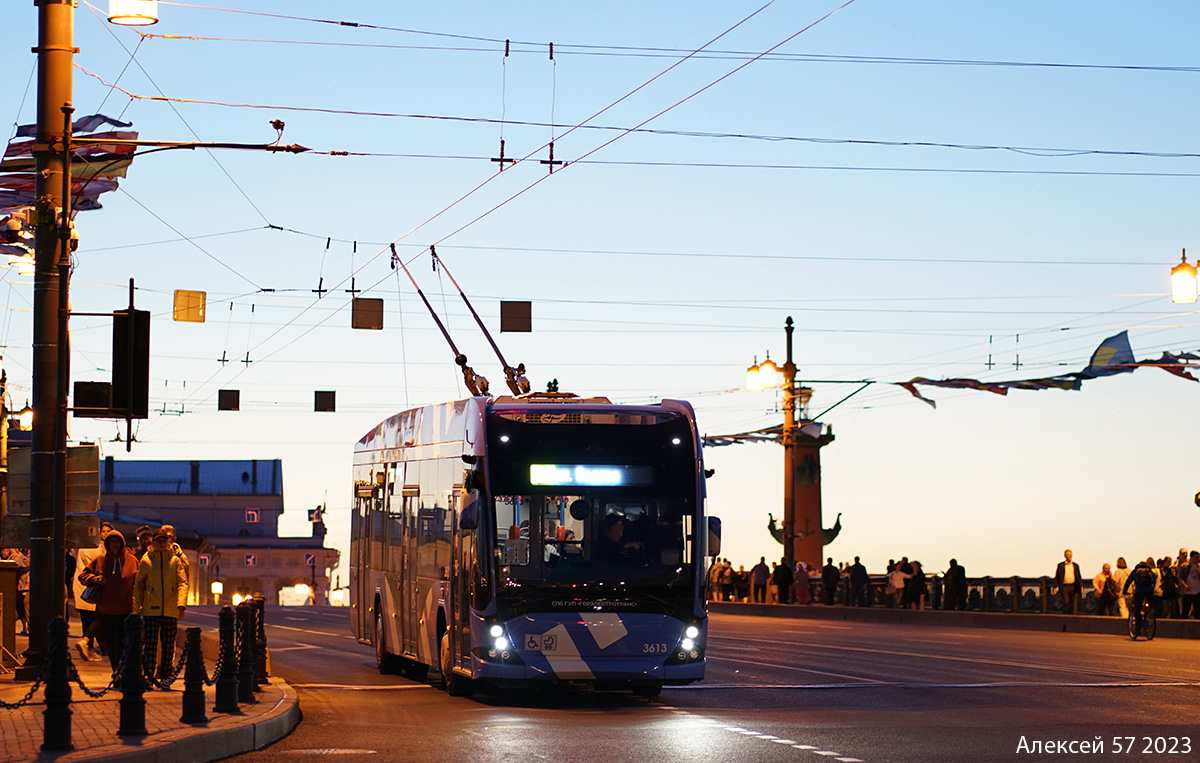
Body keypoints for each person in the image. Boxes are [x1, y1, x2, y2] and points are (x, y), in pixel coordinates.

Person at [78, 530, 139, 672]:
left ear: (122, 543)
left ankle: (122, 671)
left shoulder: (132, 561)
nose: (114, 545)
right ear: (107, 544)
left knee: (122, 643)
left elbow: (139, 583)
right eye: (111, 542)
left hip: (125, 611)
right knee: (111, 646)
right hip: (104, 611)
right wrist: (95, 579)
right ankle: (116, 672)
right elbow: (83, 576)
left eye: (117, 542)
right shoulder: (100, 560)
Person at [133, 529, 188, 680]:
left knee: (168, 645)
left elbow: (183, 583)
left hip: (170, 609)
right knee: (150, 644)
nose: (161, 543)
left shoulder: (175, 561)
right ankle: (149, 675)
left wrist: (181, 604)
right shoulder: (147, 560)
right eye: (159, 540)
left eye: (164, 540)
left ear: (168, 542)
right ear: (153, 542)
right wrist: (136, 609)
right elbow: (138, 585)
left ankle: (165, 676)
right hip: (151, 609)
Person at [72, 522, 113, 661]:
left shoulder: (98, 548)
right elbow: (99, 567)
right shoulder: (92, 548)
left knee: (91, 620)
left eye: (108, 531)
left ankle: (93, 647)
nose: (105, 534)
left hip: (89, 590)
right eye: (103, 531)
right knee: (96, 619)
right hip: (89, 590)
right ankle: (89, 645)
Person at [1124, 558, 1157, 636]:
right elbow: (1154, 580)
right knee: (1149, 606)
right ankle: (1149, 616)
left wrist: (1124, 591)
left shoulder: (1136, 571)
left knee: (1137, 609)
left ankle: (1138, 629)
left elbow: (1128, 581)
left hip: (1139, 592)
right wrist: (1152, 589)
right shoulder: (1149, 571)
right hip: (1149, 592)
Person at [1, 548, 30, 635]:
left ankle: (36, 636)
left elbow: (24, 564)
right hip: (23, 587)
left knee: (27, 608)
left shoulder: (34, 551)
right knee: (23, 608)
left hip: (28, 586)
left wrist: (13, 553)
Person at [1053, 549, 1082, 615]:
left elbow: (1078, 576)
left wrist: (1081, 585)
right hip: (1064, 586)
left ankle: (1069, 616)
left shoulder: (1075, 565)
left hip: (1073, 586)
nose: (1069, 556)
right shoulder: (1061, 565)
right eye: (1068, 555)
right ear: (1065, 556)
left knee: (1072, 602)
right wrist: (1055, 586)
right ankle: (1065, 615)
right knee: (1066, 602)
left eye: (1070, 555)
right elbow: (1057, 576)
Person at [1180, 551, 1200, 619]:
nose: (1198, 559)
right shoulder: (1185, 566)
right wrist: (1184, 585)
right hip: (1187, 591)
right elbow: (1180, 577)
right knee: (1186, 609)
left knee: (1197, 610)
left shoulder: (1199, 567)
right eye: (1196, 557)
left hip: (1197, 591)